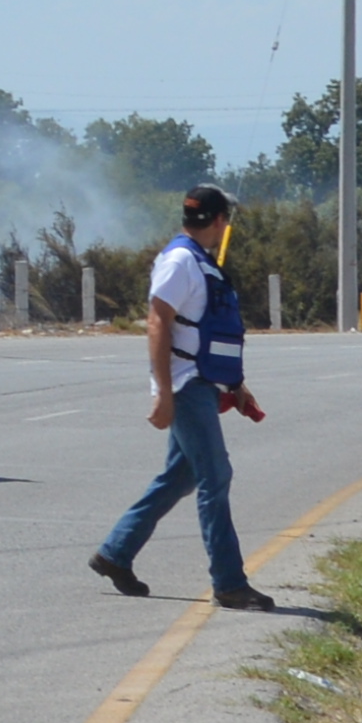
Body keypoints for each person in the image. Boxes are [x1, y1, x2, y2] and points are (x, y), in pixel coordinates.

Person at [90, 185, 281, 611]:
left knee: (180, 476)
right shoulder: (180, 261)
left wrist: (234, 385)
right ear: (217, 221)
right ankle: (229, 583)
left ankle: (115, 553)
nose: (225, 225)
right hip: (184, 385)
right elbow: (158, 323)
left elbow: (207, 331)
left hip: (202, 381)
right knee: (216, 476)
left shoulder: (198, 261)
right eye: (225, 219)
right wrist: (162, 392)